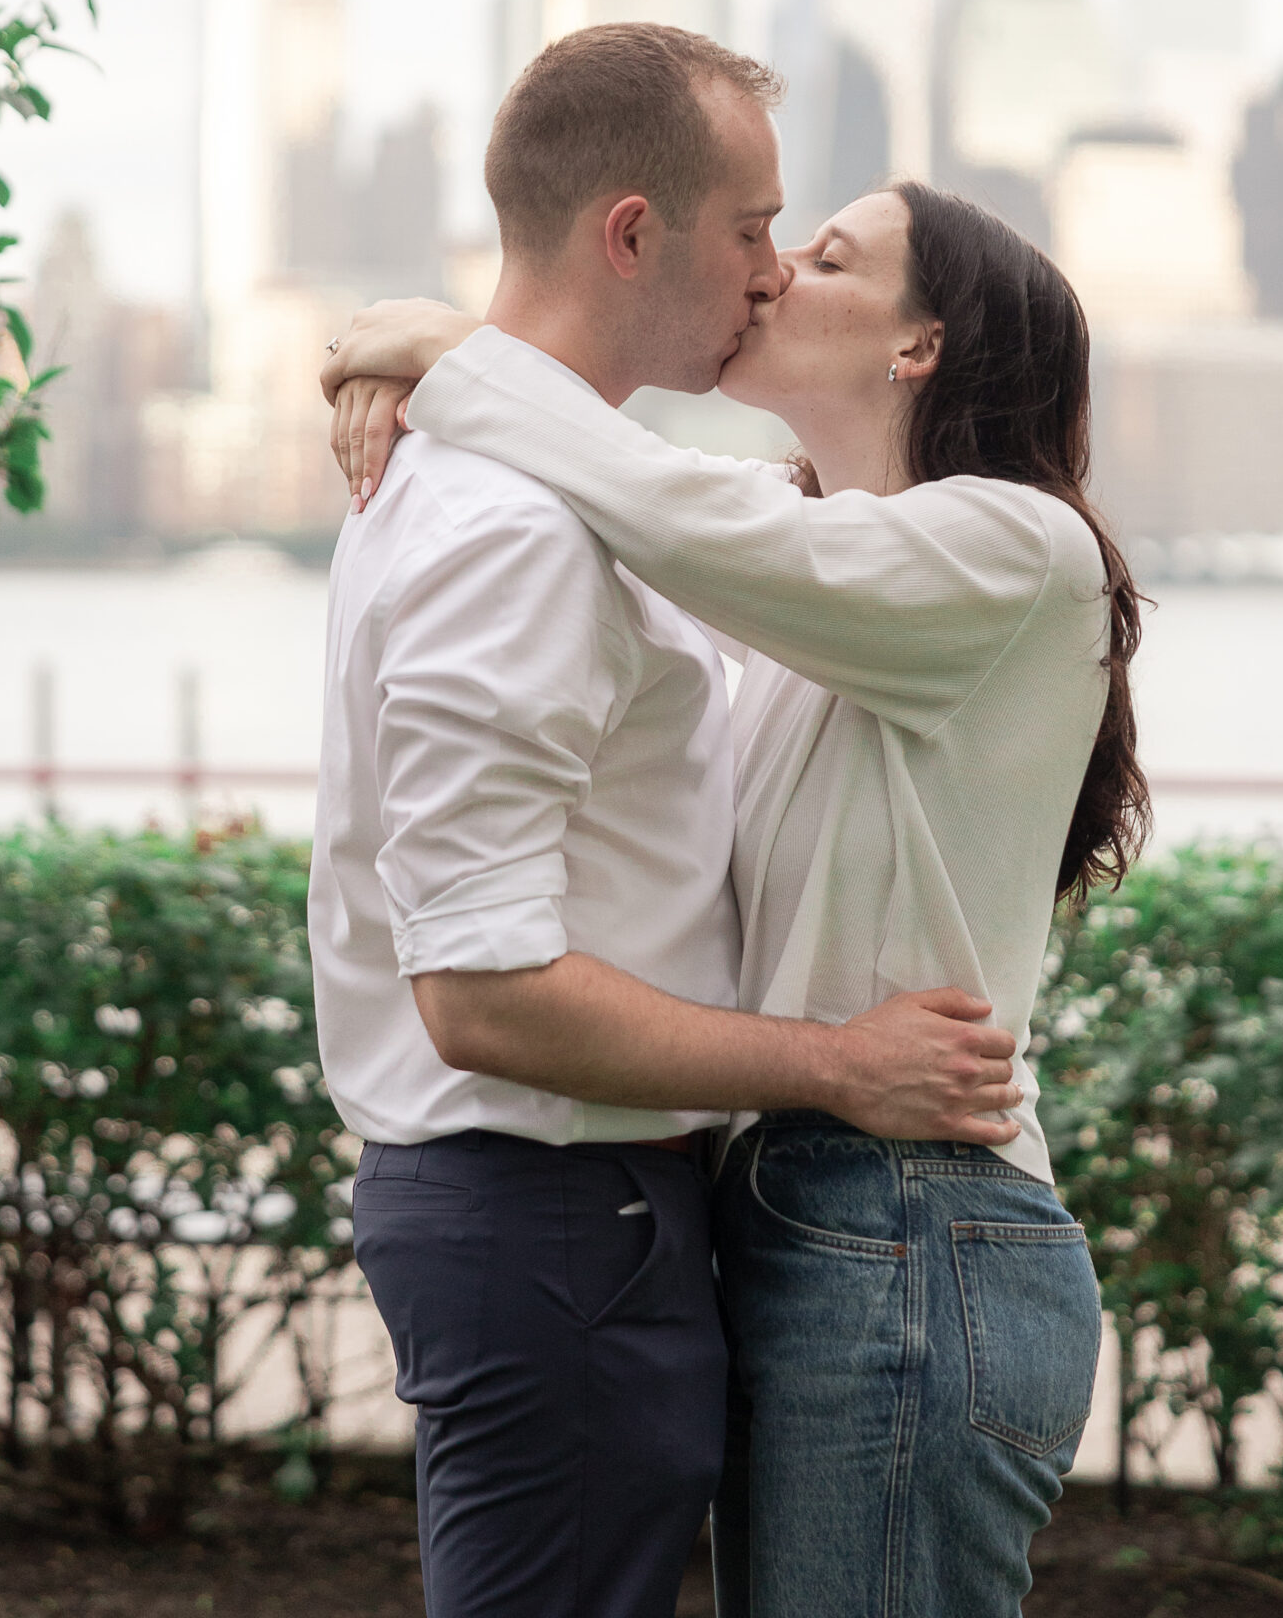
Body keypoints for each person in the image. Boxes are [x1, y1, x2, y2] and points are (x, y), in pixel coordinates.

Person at [326, 154, 1150, 1617]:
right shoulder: (797, 576)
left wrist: (459, 357)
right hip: (803, 1211)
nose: (770, 274)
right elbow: (655, 508)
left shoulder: (1014, 551)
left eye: (823, 257)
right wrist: (432, 363)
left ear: (920, 345)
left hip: (909, 1221)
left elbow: (672, 509)